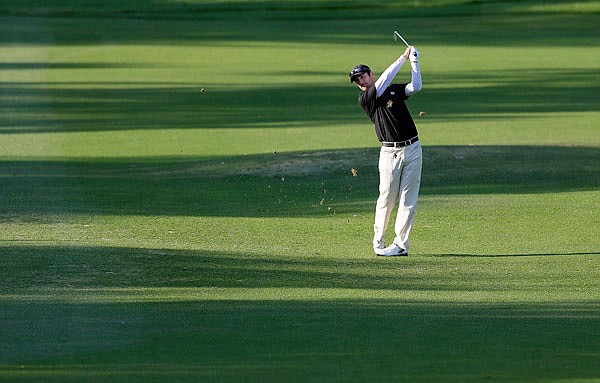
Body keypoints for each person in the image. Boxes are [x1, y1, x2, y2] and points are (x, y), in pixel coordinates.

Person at [349, 45, 422, 256]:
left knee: (409, 200)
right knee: (387, 199)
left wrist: (414, 62)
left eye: (363, 77)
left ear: (371, 74)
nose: (361, 82)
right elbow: (383, 82)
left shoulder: (391, 89)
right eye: (357, 81)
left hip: (413, 148)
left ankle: (400, 245)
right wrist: (402, 58)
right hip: (390, 153)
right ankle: (379, 242)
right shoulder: (367, 98)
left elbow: (415, 87)